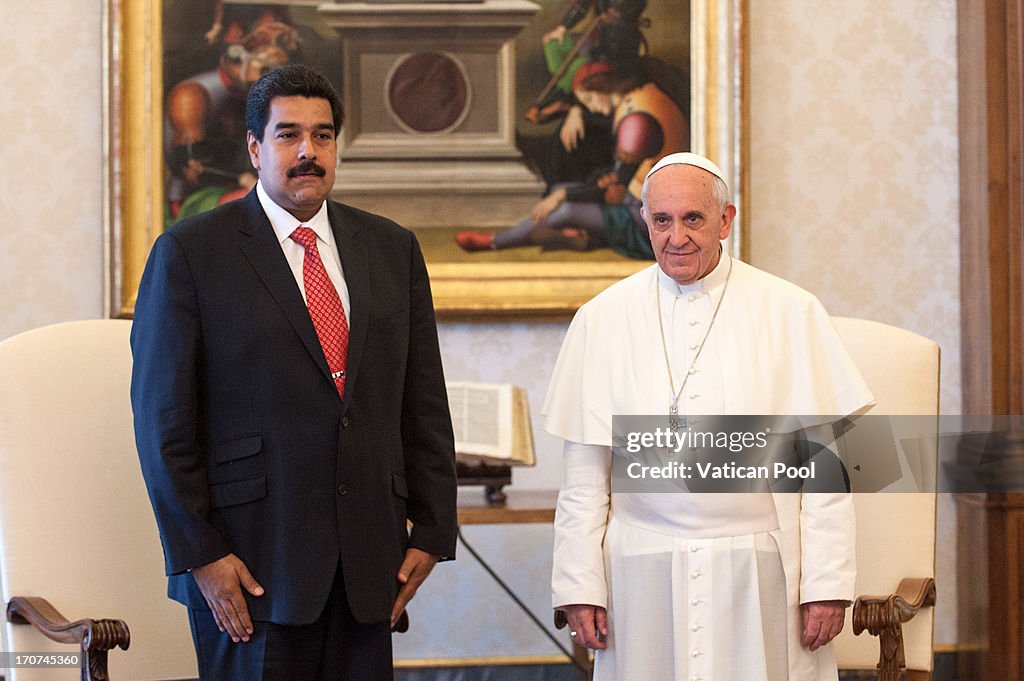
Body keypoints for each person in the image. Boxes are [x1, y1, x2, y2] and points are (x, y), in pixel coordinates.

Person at [131, 64, 458, 681]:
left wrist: (434, 529)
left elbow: (422, 401)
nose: (308, 151)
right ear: (255, 147)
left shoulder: (392, 249)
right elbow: (161, 422)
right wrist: (201, 554)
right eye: (288, 135)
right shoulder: (191, 253)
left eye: (323, 135)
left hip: (368, 563)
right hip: (251, 568)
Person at [543, 152, 874, 680]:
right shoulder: (602, 318)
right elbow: (584, 476)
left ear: (725, 220)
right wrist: (580, 586)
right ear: (645, 222)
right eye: (661, 220)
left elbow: (824, 468)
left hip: (757, 563)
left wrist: (826, 585)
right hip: (639, 565)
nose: (676, 237)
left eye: (693, 219)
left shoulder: (789, 310)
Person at [457, 59, 687, 258]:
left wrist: (561, 196)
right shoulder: (641, 98)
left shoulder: (635, 121)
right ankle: (583, 236)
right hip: (642, 200)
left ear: (601, 89)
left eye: (587, 100)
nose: (589, 107)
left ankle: (493, 241)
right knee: (559, 189)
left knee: (564, 208)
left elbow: (614, 190)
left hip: (650, 221)